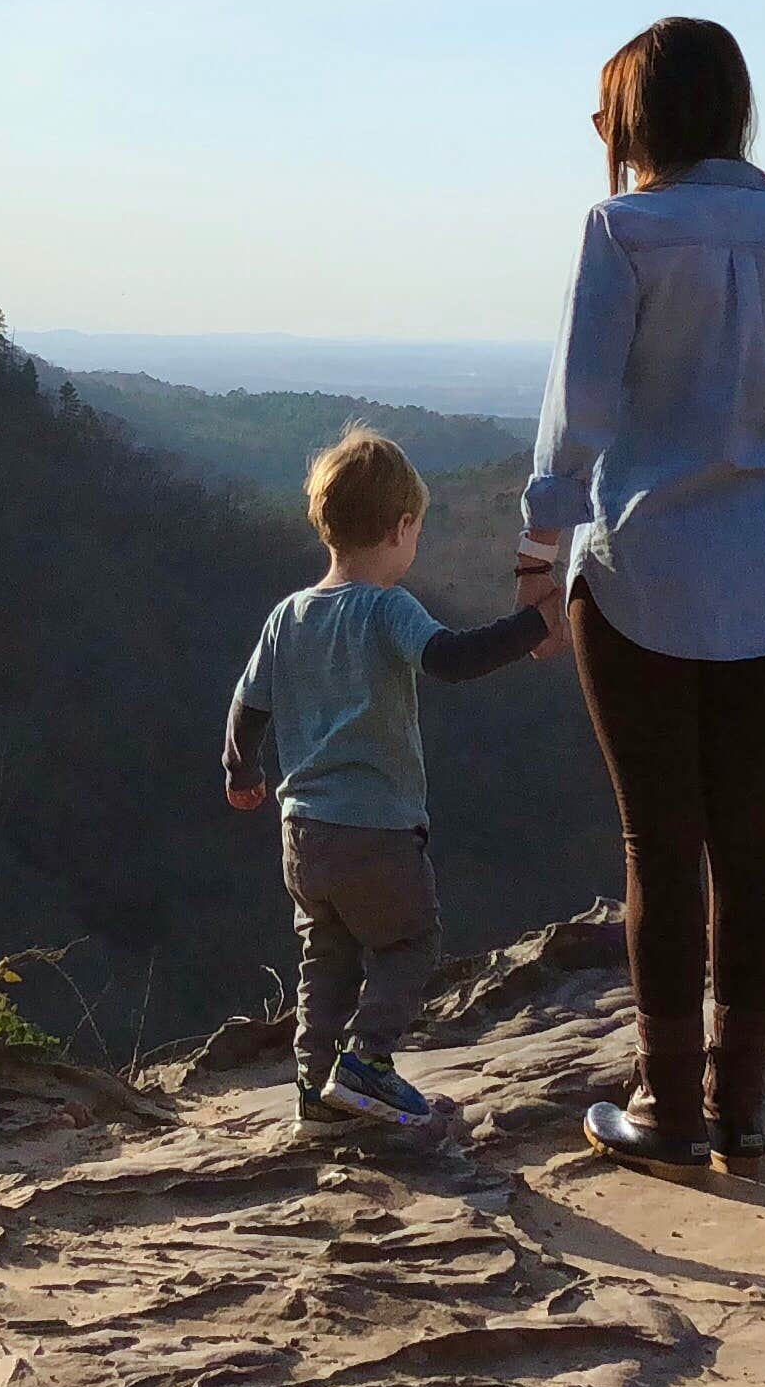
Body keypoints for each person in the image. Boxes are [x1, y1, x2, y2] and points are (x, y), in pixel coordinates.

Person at [518, 18, 765, 1176]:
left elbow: (581, 409)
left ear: (645, 116)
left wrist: (536, 547)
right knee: (747, 835)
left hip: (640, 564)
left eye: (609, 108)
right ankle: (743, 1114)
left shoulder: (622, 230)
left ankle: (667, 1112)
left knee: (660, 846)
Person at [223, 428, 558, 1132]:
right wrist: (532, 625)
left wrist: (242, 770)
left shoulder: (288, 614)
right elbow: (452, 660)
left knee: (328, 958)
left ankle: (317, 1097)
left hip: (302, 833)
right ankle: (368, 1063)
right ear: (402, 528)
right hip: (375, 830)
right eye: (417, 533)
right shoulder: (385, 608)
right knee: (410, 942)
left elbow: (249, 704)